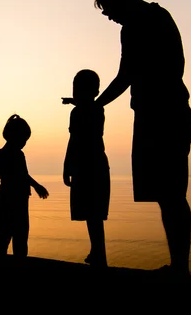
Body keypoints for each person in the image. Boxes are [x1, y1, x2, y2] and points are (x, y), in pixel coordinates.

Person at [65, 0, 191, 280]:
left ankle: (181, 267)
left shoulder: (145, 22)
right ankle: (179, 266)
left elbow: (128, 75)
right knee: (169, 195)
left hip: (165, 115)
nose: (108, 17)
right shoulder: (153, 18)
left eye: (108, 9)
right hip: (158, 114)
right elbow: (141, 72)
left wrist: (95, 104)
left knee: (173, 194)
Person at [63, 69, 111, 268]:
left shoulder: (91, 110)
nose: (75, 90)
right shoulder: (88, 109)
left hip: (89, 166)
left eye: (78, 86)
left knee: (93, 214)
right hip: (92, 165)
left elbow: (75, 139)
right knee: (92, 215)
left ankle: (99, 254)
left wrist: (67, 166)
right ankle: (97, 251)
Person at [0, 114, 49, 260]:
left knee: (3, 236)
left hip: (5, 196)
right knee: (20, 235)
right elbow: (22, 175)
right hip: (17, 198)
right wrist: (37, 186)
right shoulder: (17, 155)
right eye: (24, 139)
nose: (24, 143)